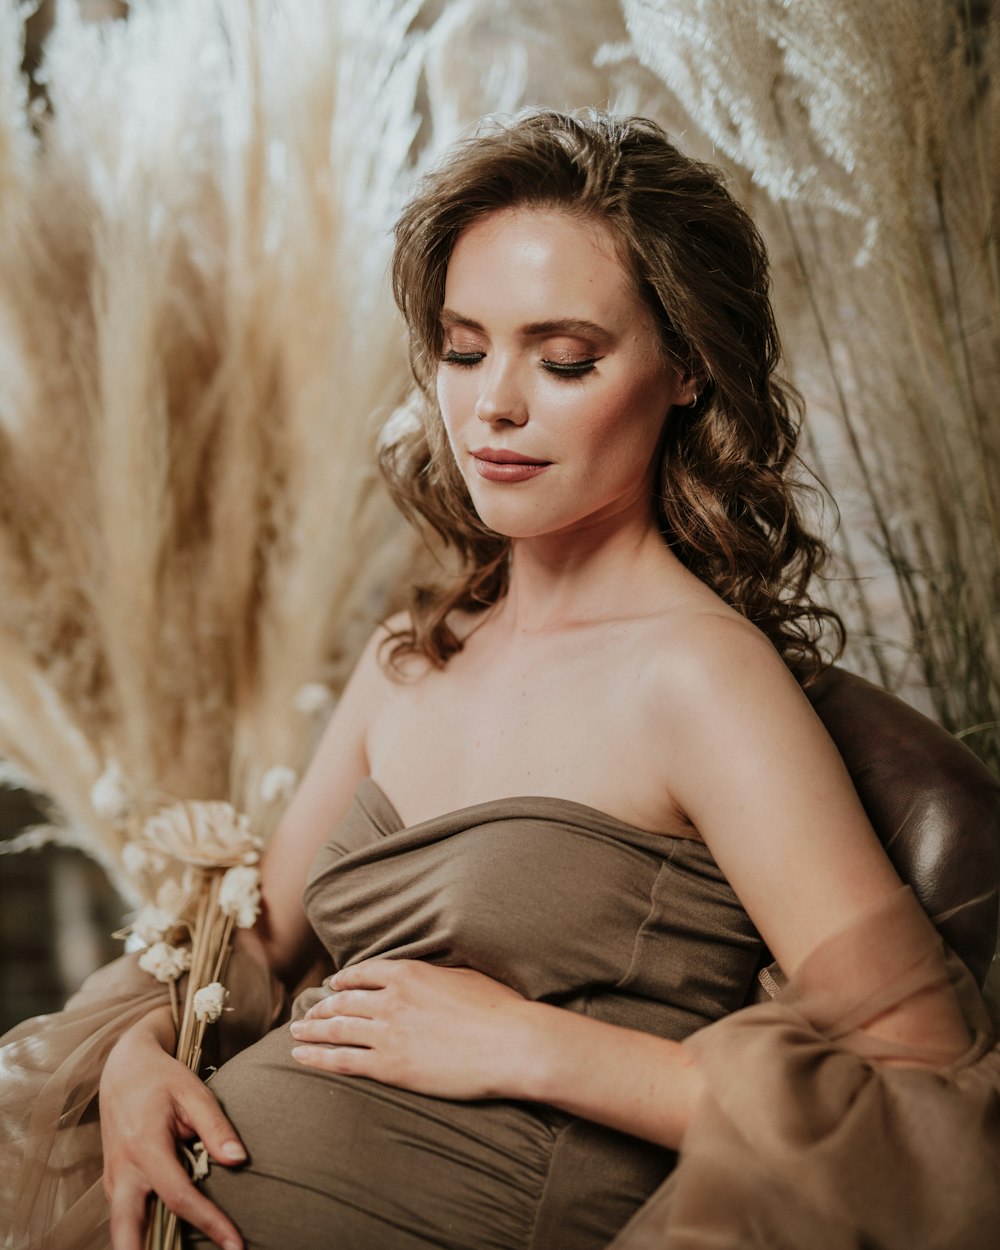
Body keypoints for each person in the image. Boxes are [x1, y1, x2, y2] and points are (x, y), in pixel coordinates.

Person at [4, 109, 999, 1250]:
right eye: (464, 348)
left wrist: (539, 1047)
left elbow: (929, 1102)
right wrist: (139, 1054)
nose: (493, 407)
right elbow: (253, 945)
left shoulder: (698, 679)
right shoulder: (412, 654)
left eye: (564, 357)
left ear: (684, 370)